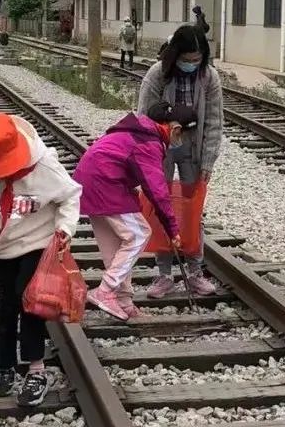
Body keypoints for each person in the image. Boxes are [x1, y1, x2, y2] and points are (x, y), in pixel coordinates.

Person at [0, 112, 81, 408]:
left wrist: (64, 229)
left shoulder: (43, 166)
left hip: (38, 240)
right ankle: (5, 365)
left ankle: (36, 369)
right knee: (6, 304)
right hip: (3, 244)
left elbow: (70, 196)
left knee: (29, 301)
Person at [73, 102, 197, 320]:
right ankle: (105, 290)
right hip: (106, 184)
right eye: (184, 136)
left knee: (116, 248)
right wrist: (172, 228)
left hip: (91, 182)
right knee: (139, 234)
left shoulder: (139, 131)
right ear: (176, 129)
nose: (182, 141)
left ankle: (123, 301)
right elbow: (157, 190)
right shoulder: (149, 142)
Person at [137, 24, 223, 296]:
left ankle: (195, 272)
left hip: (192, 146)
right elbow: (142, 118)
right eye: (186, 60)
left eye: (197, 59)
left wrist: (208, 160)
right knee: (160, 206)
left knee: (192, 209)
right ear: (176, 56)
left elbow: (214, 122)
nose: (192, 64)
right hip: (161, 145)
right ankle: (163, 274)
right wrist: (146, 161)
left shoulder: (209, 78)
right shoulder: (157, 75)